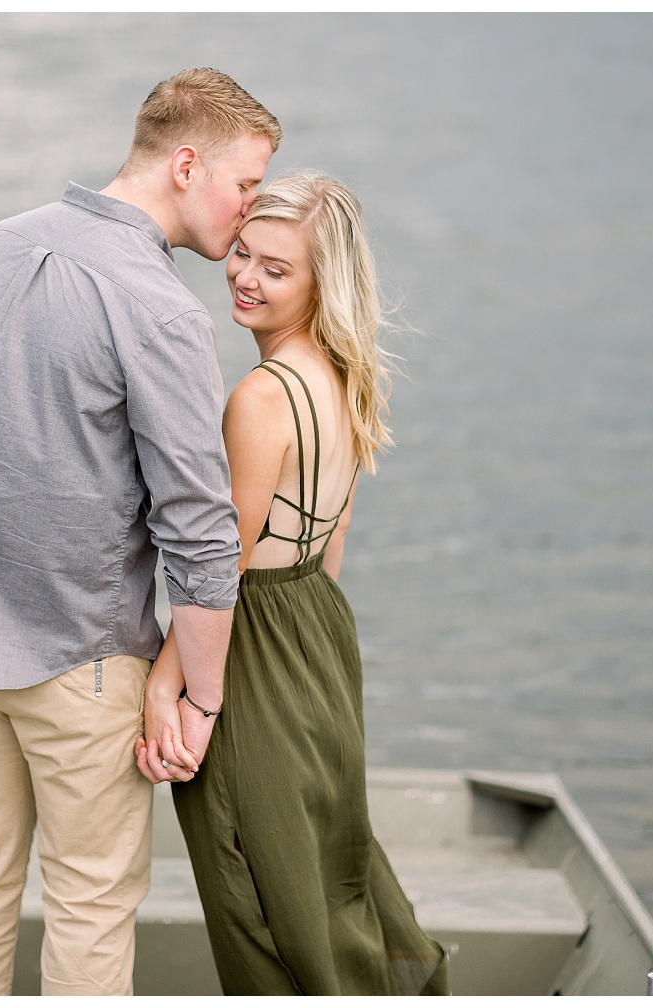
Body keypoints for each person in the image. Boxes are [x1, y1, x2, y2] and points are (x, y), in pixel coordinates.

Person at [0, 68, 280, 996]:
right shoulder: (157, 307)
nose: (249, 212)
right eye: (246, 185)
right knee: (88, 904)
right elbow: (198, 531)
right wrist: (199, 698)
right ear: (187, 164)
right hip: (82, 660)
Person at [135, 172, 450, 995]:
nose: (245, 275)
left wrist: (169, 689)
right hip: (319, 623)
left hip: (257, 636)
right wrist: (315, 655)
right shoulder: (344, 377)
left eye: (277, 269)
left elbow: (222, 564)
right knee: (326, 851)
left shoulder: (262, 396)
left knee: (255, 885)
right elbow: (332, 534)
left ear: (321, 283)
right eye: (241, 252)